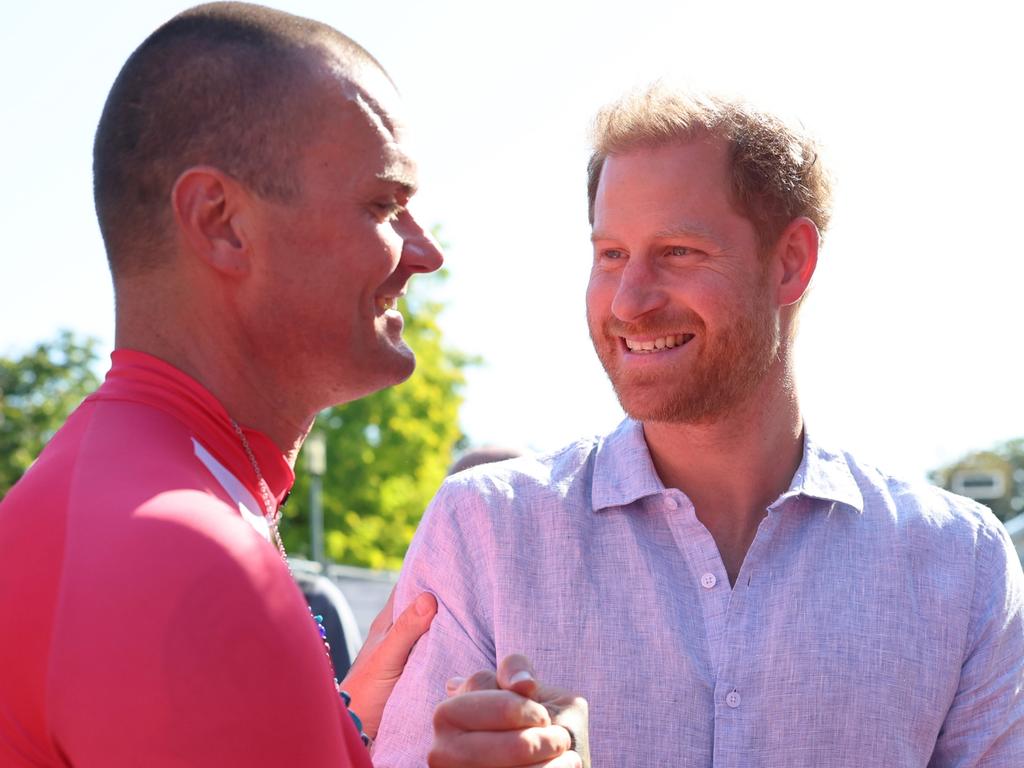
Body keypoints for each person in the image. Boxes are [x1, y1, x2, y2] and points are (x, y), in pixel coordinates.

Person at [0, 4, 584, 767]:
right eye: (384, 204)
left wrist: (333, 725)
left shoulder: (132, 491)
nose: (424, 253)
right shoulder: (189, 559)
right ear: (220, 223)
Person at [372, 84, 1024, 766]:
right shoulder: (485, 530)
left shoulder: (960, 564)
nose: (629, 301)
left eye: (679, 251)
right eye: (611, 254)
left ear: (791, 262)